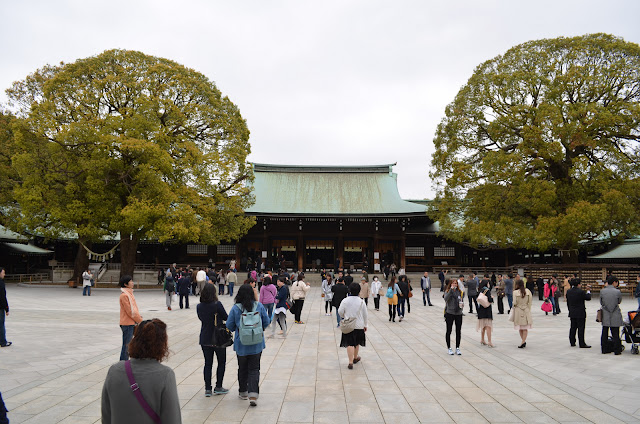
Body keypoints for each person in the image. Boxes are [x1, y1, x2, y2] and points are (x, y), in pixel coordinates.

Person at [101, 319, 181, 423]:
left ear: (134, 339)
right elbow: (172, 419)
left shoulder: (114, 371)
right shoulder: (166, 375)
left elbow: (106, 416)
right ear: (162, 345)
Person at [226, 284, 270, 407]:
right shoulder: (259, 306)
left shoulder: (236, 308)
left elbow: (229, 326)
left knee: (242, 368)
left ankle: (243, 392)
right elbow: (266, 322)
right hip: (257, 344)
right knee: (254, 369)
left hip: (241, 345)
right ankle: (253, 395)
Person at [197, 284, 230, 396]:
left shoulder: (199, 306)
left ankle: (207, 388)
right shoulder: (217, 304)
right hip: (218, 338)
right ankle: (218, 386)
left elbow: (201, 318)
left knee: (208, 363)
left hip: (205, 337)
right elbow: (226, 317)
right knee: (221, 362)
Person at [338, 283, 368, 370]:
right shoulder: (362, 301)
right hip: (359, 325)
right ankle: (355, 357)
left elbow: (340, 311)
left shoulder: (345, 300)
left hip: (348, 325)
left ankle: (350, 362)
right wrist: (365, 325)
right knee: (357, 342)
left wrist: (345, 316)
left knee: (349, 343)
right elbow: (365, 314)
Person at [118, 275, 142, 360]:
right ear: (125, 284)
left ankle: (124, 363)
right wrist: (140, 320)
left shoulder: (129, 294)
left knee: (128, 345)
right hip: (127, 323)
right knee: (127, 345)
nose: (132, 283)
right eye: (130, 281)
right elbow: (130, 311)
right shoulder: (124, 295)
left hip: (131, 322)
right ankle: (123, 363)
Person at [566, 277, 591, 348]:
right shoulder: (581, 292)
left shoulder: (569, 291)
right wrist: (588, 291)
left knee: (573, 327)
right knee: (581, 328)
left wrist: (570, 310)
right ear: (579, 284)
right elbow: (588, 298)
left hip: (572, 311)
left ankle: (572, 341)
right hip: (580, 312)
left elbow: (568, 302)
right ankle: (581, 343)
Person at [600, 277, 623, 355]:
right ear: (614, 282)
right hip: (615, 312)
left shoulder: (602, 291)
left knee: (604, 331)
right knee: (615, 332)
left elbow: (601, 302)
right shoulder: (617, 292)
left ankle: (604, 349)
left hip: (606, 313)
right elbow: (619, 301)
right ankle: (617, 350)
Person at [443, 279, 464, 355]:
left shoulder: (459, 292)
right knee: (449, 330)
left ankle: (457, 347)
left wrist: (462, 304)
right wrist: (451, 290)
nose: (455, 285)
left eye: (456, 283)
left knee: (458, 331)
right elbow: (446, 299)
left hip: (458, 313)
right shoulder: (448, 291)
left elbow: (461, 299)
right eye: (453, 283)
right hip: (450, 313)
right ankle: (449, 347)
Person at [513, 279, 533, 348]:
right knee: (525, 327)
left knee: (520, 327)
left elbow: (514, 303)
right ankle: (523, 341)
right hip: (526, 309)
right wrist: (528, 309)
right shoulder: (528, 291)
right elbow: (530, 302)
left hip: (518, 310)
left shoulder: (515, 292)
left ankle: (523, 341)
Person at [0, 268, 10, 348]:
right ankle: (3, 341)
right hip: (0, 307)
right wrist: (7, 308)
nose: (4, 274)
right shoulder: (1, 283)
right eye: (3, 273)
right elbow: (3, 297)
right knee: (1, 324)